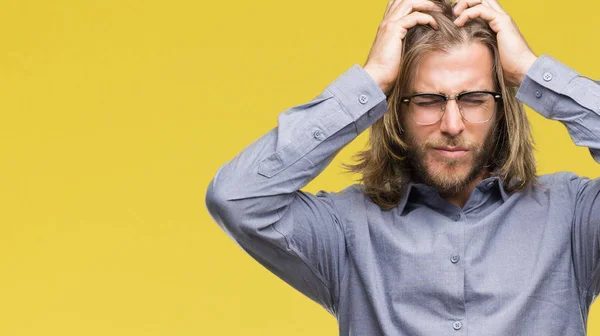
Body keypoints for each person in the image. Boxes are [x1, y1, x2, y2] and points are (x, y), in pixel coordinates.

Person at [205, 0, 600, 334]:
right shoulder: (346, 230)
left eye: (474, 98)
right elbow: (237, 199)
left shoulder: (572, 217)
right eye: (428, 100)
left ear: (501, 108)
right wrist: (371, 82)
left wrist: (534, 73)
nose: (452, 125)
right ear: (396, 111)